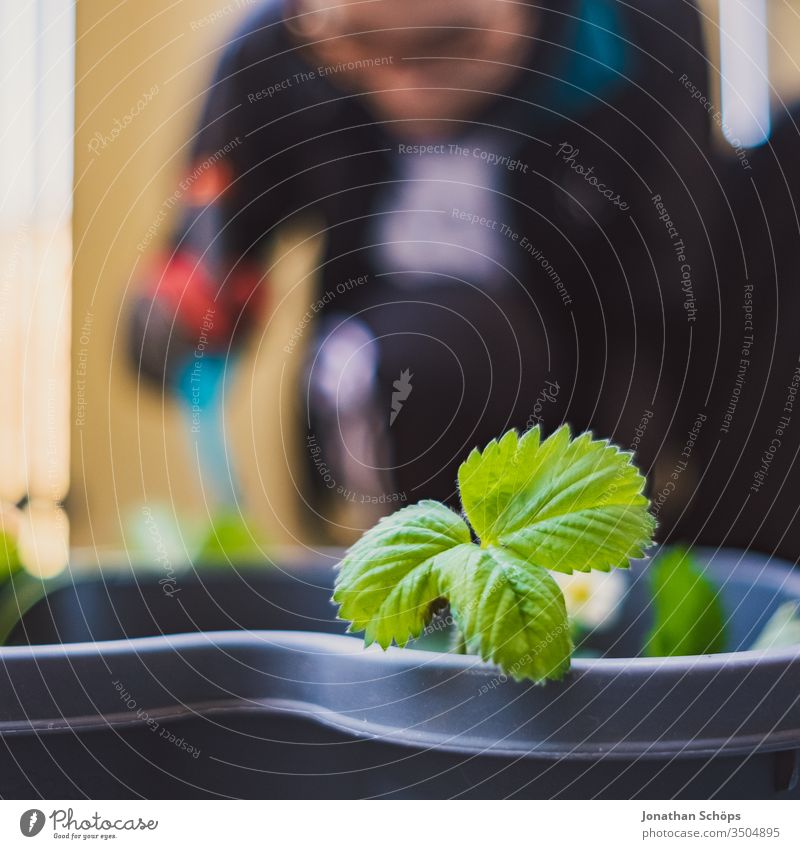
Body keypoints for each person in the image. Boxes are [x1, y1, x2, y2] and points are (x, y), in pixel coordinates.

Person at [131, 0, 722, 541]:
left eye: (447, 43)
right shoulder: (281, 46)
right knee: (433, 353)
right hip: (380, 387)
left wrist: (629, 513)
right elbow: (201, 258)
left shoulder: (638, 40)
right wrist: (179, 314)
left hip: (588, 405)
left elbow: (670, 311)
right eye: (357, 42)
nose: (400, 82)